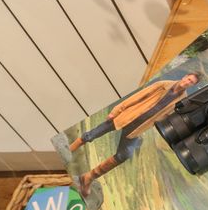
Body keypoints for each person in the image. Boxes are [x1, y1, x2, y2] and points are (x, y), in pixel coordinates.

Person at [68, 73, 200, 195]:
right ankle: (68, 151)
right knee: (92, 135)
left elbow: (166, 117)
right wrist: (116, 111)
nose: (188, 82)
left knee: (124, 154)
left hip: (138, 128)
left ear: (192, 85)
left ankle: (87, 178)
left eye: (191, 82)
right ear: (185, 77)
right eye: (188, 79)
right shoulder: (163, 85)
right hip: (127, 116)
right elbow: (138, 96)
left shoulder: (181, 100)